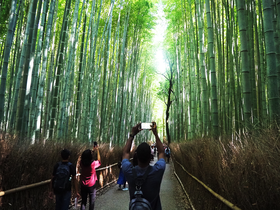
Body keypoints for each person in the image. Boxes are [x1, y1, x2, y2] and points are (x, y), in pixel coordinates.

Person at [122, 122, 166, 210]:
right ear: (151, 157)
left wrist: (132, 135)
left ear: (136, 156)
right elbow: (161, 152)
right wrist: (156, 134)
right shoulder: (158, 170)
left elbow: (125, 153)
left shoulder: (128, 170)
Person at [77, 145, 101, 210]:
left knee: (83, 202)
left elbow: (86, 157)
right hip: (91, 185)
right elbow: (99, 161)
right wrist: (97, 150)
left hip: (83, 184)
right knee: (91, 202)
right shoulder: (93, 164)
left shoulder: (81, 163)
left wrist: (93, 150)